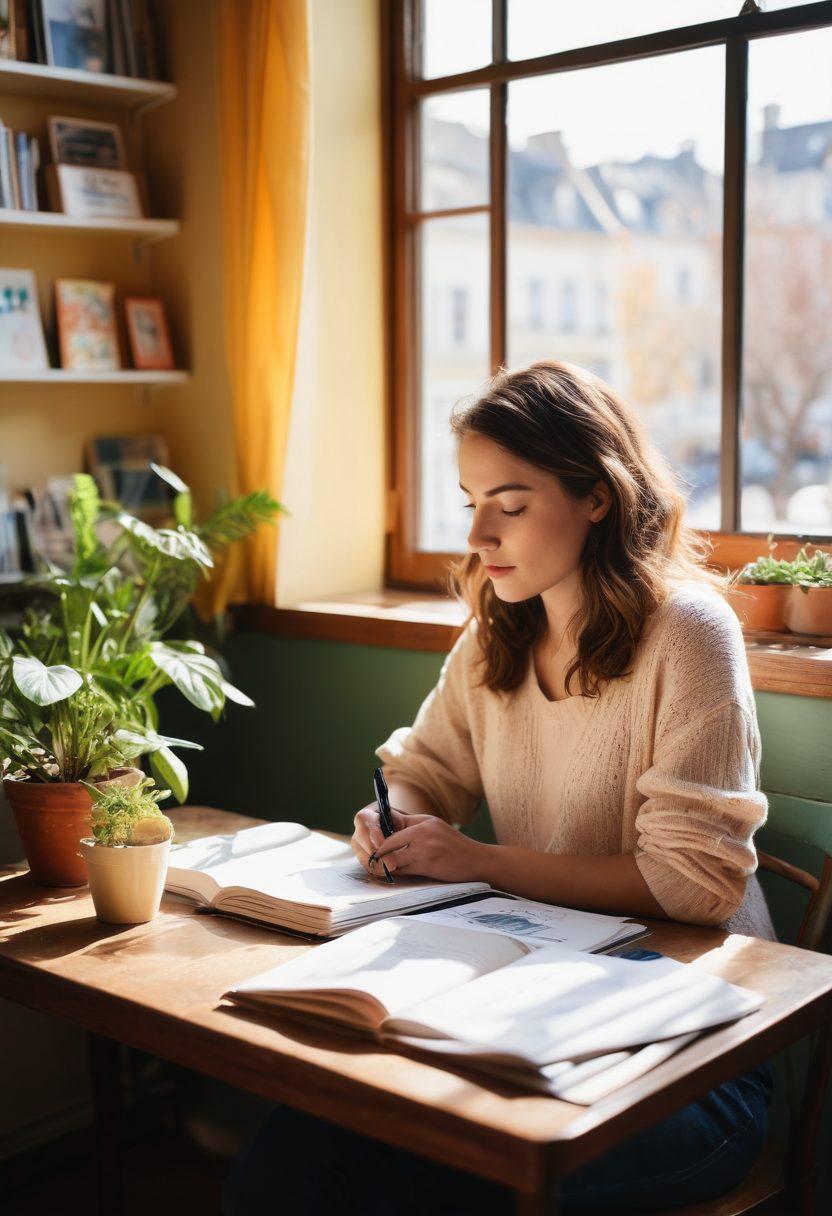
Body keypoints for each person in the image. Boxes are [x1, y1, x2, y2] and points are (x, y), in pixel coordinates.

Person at [222, 361, 774, 1215]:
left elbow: (693, 885)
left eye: (510, 505)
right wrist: (393, 817)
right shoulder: (497, 634)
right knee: (295, 1150)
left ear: (598, 496)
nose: (479, 534)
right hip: (532, 995)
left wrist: (475, 858)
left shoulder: (689, 634)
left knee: (419, 1181)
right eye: (470, 501)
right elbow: (421, 771)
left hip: (691, 1050)